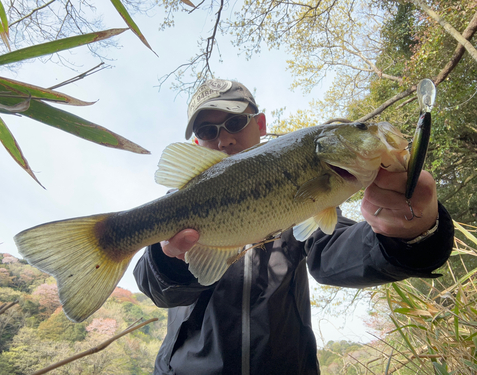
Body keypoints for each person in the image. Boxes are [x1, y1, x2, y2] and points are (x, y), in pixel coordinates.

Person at [134, 79, 454, 375]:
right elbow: (153, 285)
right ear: (195, 142)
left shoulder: (304, 204)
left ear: (259, 124)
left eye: (234, 122)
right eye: (207, 130)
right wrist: (167, 259)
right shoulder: (178, 203)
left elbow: (338, 252)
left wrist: (411, 233)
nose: (224, 138)